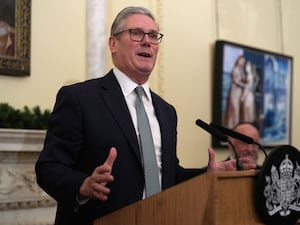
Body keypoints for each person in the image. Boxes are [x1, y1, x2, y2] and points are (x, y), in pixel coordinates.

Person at [35, 6, 256, 225]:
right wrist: (82, 185)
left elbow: (168, 176)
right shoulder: (79, 98)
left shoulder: (166, 111)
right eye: (136, 33)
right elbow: (48, 167)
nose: (147, 41)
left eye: (153, 35)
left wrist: (206, 174)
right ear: (113, 44)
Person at [224, 55, 246, 129]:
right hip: (234, 90)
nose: (242, 62)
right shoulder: (235, 69)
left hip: (239, 91)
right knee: (234, 107)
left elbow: (243, 79)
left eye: (243, 62)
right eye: (241, 61)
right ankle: (231, 125)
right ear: (238, 60)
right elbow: (236, 80)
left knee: (238, 108)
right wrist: (243, 85)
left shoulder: (241, 70)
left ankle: (236, 125)